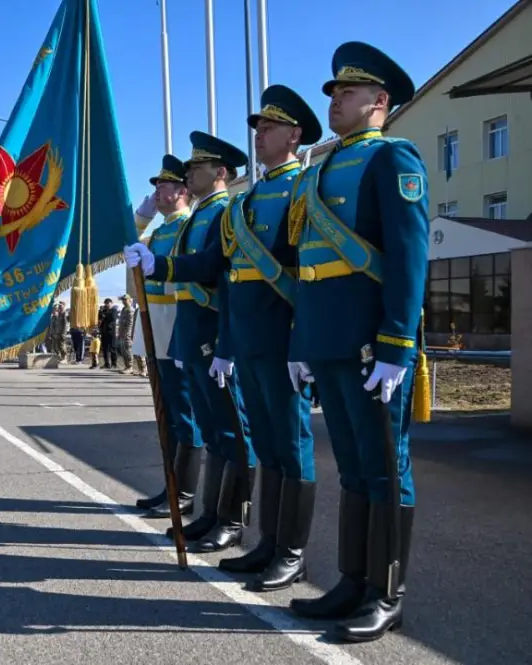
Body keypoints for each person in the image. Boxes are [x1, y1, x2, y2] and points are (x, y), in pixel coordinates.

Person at [285, 41, 427, 643]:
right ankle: (352, 580)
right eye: (335, 92)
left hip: (373, 346)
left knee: (385, 467)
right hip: (329, 342)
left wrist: (396, 345)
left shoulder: (393, 158)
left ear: (379, 101)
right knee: (353, 468)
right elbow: (307, 267)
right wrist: (301, 342)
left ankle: (386, 592)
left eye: (348, 92)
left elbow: (409, 257)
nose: (336, 101)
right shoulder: (320, 170)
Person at [206, 85, 323, 592]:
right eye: (258, 127)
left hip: (283, 340)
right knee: (269, 446)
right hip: (250, 341)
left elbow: (309, 271)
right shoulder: (247, 198)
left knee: (292, 445)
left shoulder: (305, 189)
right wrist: (158, 264)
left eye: (270, 127)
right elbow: (221, 270)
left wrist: (304, 343)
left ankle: (292, 553)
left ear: (294, 136)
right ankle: (268, 543)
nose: (259, 134)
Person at [126, 135, 254, 551]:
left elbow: (218, 274)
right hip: (186, 331)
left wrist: (226, 344)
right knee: (209, 428)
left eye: (195, 169)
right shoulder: (195, 218)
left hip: (207, 331)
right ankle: (209, 513)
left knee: (226, 430)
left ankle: (226, 517)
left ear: (220, 173)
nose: (187, 175)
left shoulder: (222, 213)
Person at [131, 156, 199, 519]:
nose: (157, 192)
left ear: (183, 191)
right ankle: (170, 486)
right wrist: (141, 218)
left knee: (183, 413)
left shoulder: (188, 226)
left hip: (175, 326)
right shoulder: (159, 231)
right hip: (155, 328)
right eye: (156, 187)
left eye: (165, 186)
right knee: (166, 413)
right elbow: (123, 245)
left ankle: (184, 492)